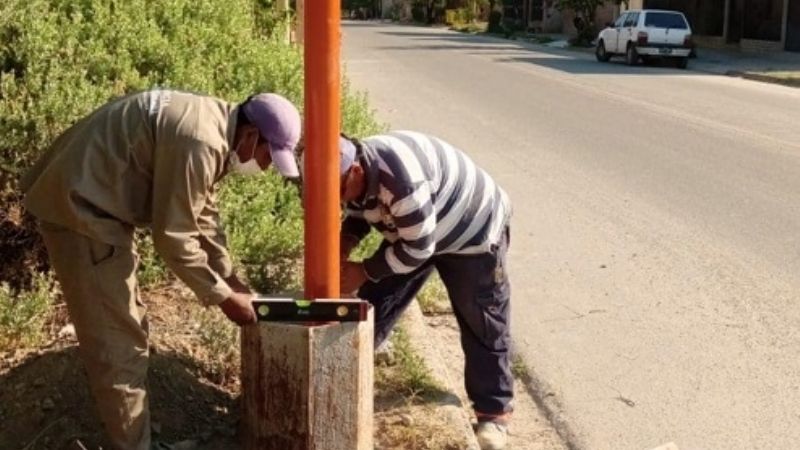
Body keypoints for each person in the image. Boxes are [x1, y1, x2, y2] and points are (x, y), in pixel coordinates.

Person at [20, 89, 302, 450]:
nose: (264, 168)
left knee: (130, 329)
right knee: (119, 345)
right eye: (267, 157)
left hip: (90, 201)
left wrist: (230, 278)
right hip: (81, 211)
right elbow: (174, 238)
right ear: (251, 135)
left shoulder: (213, 125)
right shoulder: (201, 143)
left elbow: (202, 214)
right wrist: (224, 297)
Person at [336, 131, 513, 450]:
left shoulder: (402, 185)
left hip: (472, 233)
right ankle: (349, 371)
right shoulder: (353, 169)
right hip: (419, 230)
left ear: (357, 171)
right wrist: (345, 242)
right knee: (375, 299)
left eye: (339, 190)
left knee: (482, 321)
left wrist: (362, 270)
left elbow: (417, 250)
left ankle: (493, 414)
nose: (338, 199)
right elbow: (359, 210)